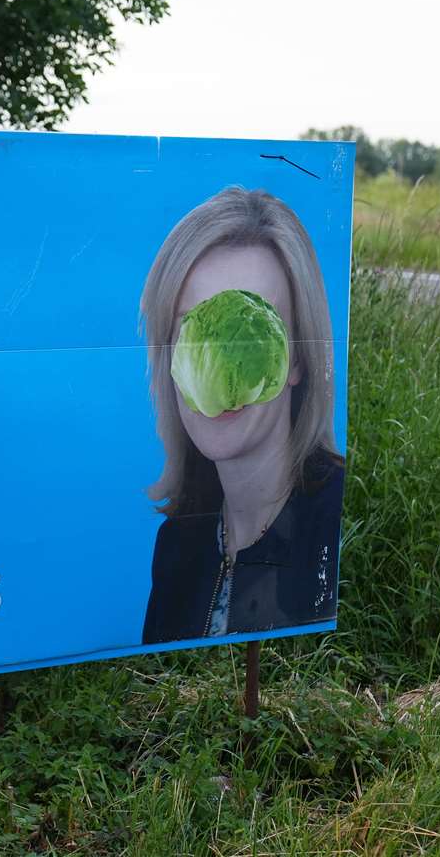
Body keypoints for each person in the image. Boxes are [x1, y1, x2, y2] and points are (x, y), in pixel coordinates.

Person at [140, 186, 344, 644]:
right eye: (192, 329)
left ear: (297, 359)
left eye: (252, 330)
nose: (222, 368)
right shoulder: (177, 547)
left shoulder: (340, 525)